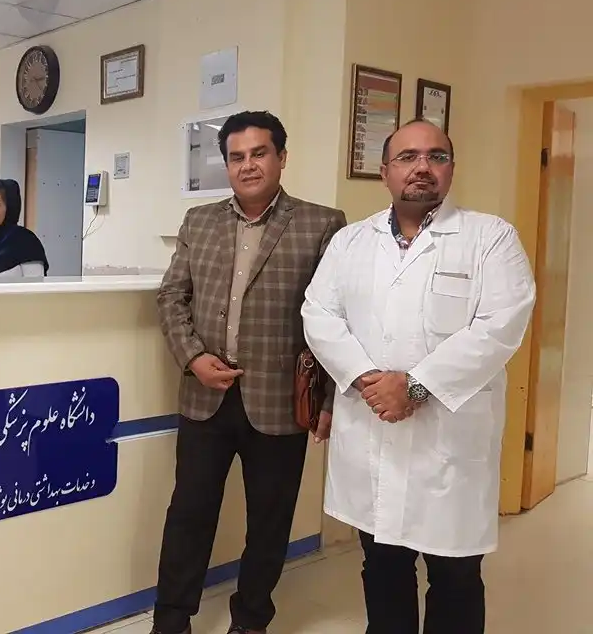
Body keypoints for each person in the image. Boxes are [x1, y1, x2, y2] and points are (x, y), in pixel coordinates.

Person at [301, 119, 536, 634]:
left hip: (448, 445)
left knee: (456, 576)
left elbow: (500, 326)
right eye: (407, 157)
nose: (422, 167)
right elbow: (318, 313)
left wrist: (414, 384)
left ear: (451, 168)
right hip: (372, 432)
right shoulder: (349, 242)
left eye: (437, 156)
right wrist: (368, 378)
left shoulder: (490, 238)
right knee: (382, 567)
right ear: (385, 171)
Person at [152, 111, 346, 634]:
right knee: (189, 514)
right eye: (236, 157)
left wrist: (329, 400)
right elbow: (172, 296)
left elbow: (336, 318)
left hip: (281, 401)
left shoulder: (322, 224)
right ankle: (171, 620)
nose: (248, 165)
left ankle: (251, 619)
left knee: (269, 521)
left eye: (259, 153)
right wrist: (193, 357)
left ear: (281, 157)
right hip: (205, 397)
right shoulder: (198, 221)